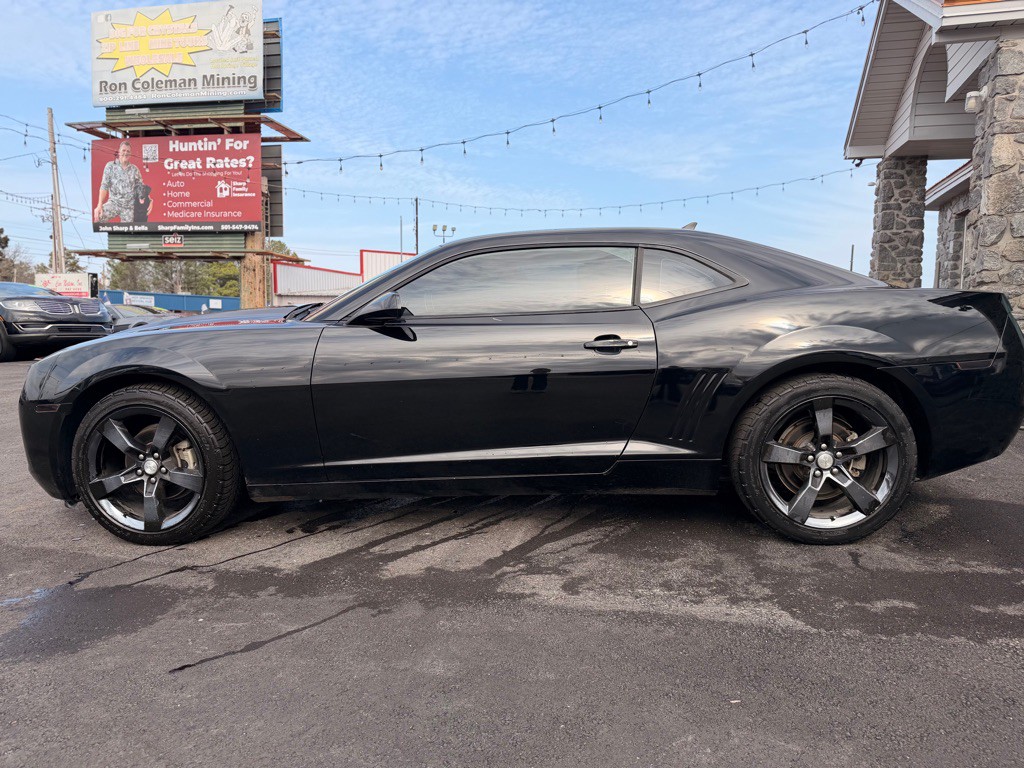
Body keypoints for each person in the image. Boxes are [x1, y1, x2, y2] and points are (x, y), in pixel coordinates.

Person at [94, 140, 143, 223]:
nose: (126, 153)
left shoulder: (134, 169)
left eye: (128, 151)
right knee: (99, 216)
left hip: (128, 207)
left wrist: (148, 200)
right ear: (119, 152)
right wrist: (99, 205)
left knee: (128, 229)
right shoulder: (110, 166)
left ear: (130, 154)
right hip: (114, 203)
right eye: (123, 150)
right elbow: (104, 186)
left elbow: (141, 187)